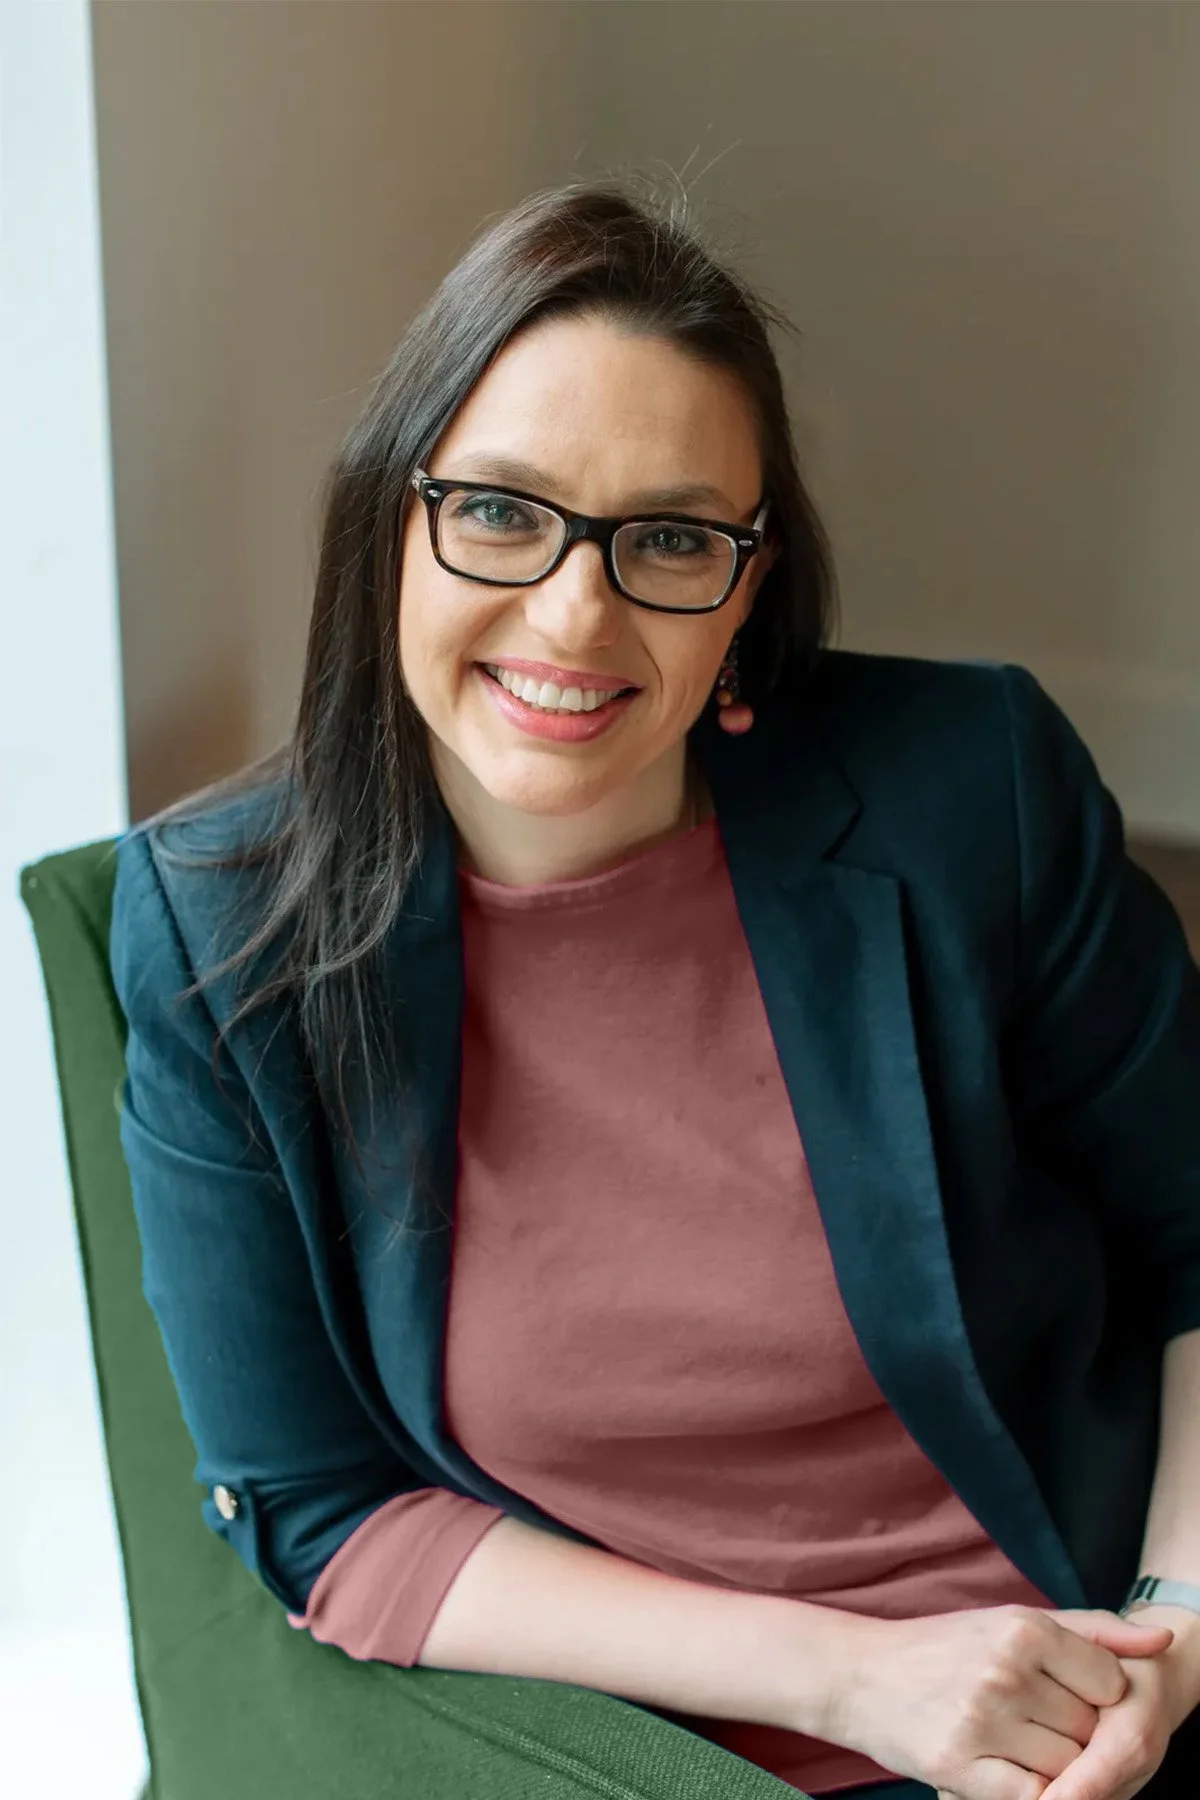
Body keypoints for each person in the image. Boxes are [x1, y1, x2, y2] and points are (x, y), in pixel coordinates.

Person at [108, 176, 1200, 1800]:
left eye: (673, 538)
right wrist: (863, 1682)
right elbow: (326, 1519)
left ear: (748, 591)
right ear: (387, 524)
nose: (574, 613)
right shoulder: (222, 935)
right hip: (642, 1758)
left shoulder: (977, 793)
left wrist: (1170, 1633)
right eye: (500, 510)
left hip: (1104, 1671)